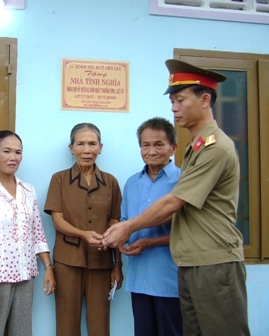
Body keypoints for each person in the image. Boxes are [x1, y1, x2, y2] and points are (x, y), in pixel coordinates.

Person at [102, 59, 250, 336]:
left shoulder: (215, 148)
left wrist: (127, 227)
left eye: (180, 100)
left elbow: (173, 203)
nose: (174, 108)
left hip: (213, 261)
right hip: (192, 261)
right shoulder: (196, 149)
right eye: (172, 101)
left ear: (205, 99)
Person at [0, 130, 55, 336]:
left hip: (26, 274)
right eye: (6, 151)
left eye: (18, 152)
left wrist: (48, 267)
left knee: (22, 331)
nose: (13, 157)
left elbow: (37, 231)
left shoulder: (28, 190)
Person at [44, 123, 123, 336]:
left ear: (101, 147)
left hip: (102, 262)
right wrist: (83, 234)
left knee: (100, 325)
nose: (86, 150)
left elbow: (115, 222)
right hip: (67, 261)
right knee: (67, 324)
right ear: (71, 148)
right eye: (80, 144)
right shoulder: (59, 179)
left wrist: (118, 265)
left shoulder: (111, 182)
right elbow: (57, 220)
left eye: (92, 144)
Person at [120, 117, 182, 336]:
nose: (151, 151)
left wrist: (150, 242)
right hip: (139, 278)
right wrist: (113, 239)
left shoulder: (184, 181)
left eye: (159, 144)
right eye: (146, 145)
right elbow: (125, 222)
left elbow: (189, 231)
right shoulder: (131, 183)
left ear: (172, 148)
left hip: (171, 279)